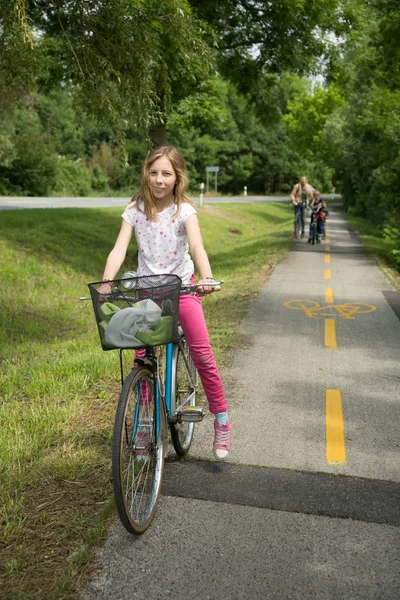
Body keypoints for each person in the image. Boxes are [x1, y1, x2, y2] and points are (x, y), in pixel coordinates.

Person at [98, 145, 234, 461]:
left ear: (177, 178)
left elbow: (197, 246)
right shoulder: (134, 210)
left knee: (202, 352)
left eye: (166, 174)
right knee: (142, 359)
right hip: (149, 294)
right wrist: (107, 281)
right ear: (146, 173)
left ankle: (223, 418)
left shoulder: (184, 211)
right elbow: (119, 249)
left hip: (183, 289)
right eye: (154, 172)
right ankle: (145, 423)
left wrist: (207, 276)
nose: (159, 179)